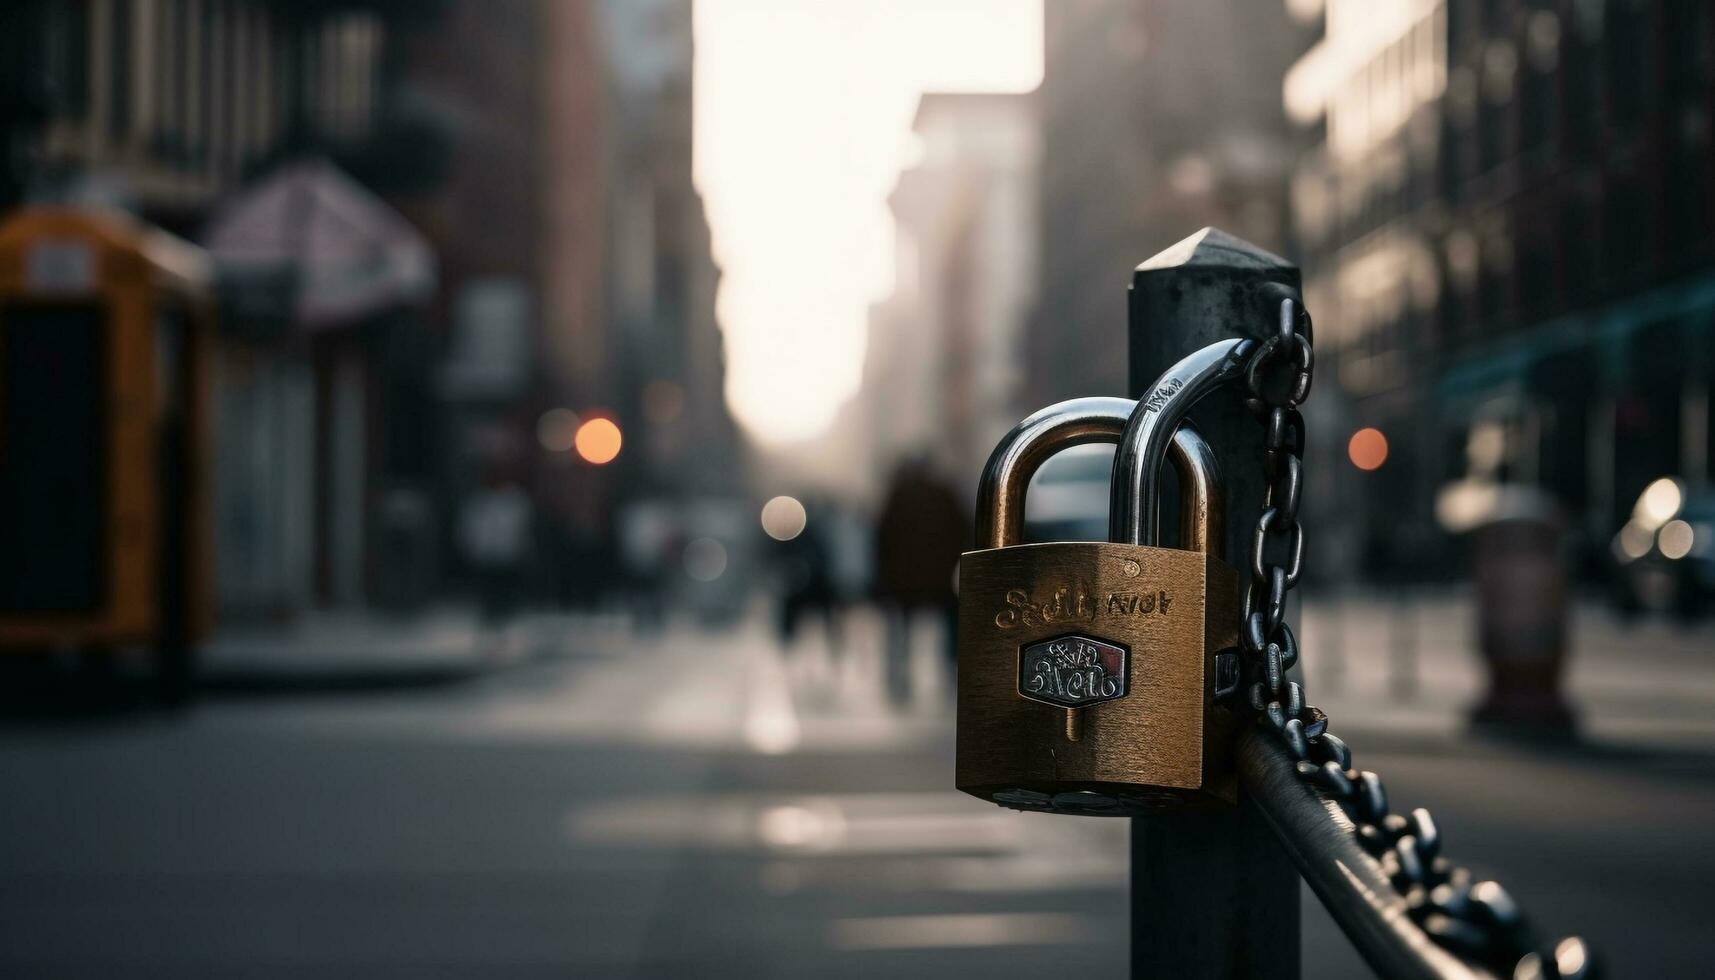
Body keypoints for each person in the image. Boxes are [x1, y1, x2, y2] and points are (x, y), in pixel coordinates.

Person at [873, 457, 969, 704]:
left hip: (904, 578)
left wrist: (884, 577)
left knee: (901, 630)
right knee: (949, 627)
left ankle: (900, 681)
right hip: (939, 576)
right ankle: (950, 674)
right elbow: (963, 530)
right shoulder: (944, 495)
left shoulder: (898, 496)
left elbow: (882, 539)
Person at [456, 467, 533, 625]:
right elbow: (469, 528)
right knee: (488, 593)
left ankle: (506, 620)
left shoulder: (515, 500)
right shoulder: (478, 501)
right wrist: (471, 549)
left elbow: (523, 527)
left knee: (506, 593)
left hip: (508, 556)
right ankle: (489, 619)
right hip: (486, 557)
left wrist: (522, 548)